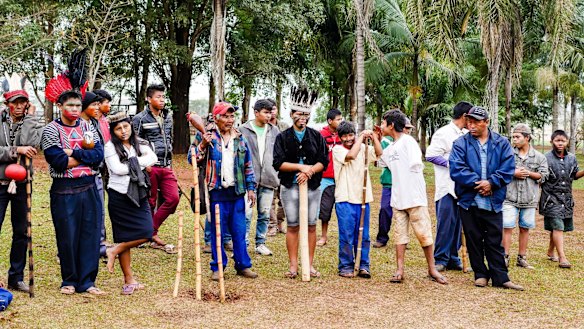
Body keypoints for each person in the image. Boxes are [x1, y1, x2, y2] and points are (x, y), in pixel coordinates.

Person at [41, 51, 106, 295]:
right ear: (59, 106)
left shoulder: (89, 126)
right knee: (67, 235)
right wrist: (82, 154)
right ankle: (69, 280)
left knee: (90, 234)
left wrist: (72, 151)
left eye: (78, 105)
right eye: (70, 105)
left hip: (89, 186)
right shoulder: (50, 130)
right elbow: (57, 161)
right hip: (64, 189)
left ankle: (87, 281)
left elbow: (97, 156)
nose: (75, 109)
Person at [449, 106, 523, 290]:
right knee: (473, 239)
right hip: (469, 200)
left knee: (494, 239)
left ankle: (500, 277)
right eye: (469, 122)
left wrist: (492, 183)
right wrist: (479, 183)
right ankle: (480, 274)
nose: (471, 126)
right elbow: (456, 168)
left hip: (493, 200)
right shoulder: (461, 143)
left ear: (486, 122)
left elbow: (507, 168)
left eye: (476, 122)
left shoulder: (501, 143)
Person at [189, 101, 258, 280]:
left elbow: (248, 165)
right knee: (217, 233)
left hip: (237, 193)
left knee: (239, 231)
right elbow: (192, 159)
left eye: (232, 116)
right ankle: (218, 266)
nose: (229, 120)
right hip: (216, 193)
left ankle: (243, 265)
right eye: (225, 116)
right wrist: (203, 145)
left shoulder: (240, 137)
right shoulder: (205, 135)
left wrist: (251, 188)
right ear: (216, 118)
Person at [378, 109, 447, 285]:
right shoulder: (391, 146)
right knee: (400, 235)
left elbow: (416, 165)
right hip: (398, 199)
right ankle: (399, 269)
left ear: (391, 125)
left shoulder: (408, 141)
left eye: (384, 123)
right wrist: (375, 137)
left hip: (415, 197)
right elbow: (382, 158)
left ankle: (432, 268)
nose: (382, 126)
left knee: (424, 234)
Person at [273, 87, 328, 279]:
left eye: (306, 114)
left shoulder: (316, 136)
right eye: (299, 113)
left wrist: (310, 170)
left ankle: (309, 264)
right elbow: (278, 163)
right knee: (293, 225)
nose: (303, 117)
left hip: (312, 186)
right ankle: (293, 265)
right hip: (290, 186)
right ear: (291, 114)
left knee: (312, 224)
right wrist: (300, 167)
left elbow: (323, 160)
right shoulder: (283, 137)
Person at [104, 112, 157, 295]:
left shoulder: (140, 142)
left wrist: (132, 163)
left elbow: (153, 158)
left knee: (148, 232)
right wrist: (138, 165)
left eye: (126, 127)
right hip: (119, 195)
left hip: (139, 193)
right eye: (118, 129)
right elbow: (116, 169)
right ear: (113, 131)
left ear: (131, 126)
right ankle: (129, 280)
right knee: (124, 235)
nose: (123, 131)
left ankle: (114, 250)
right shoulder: (110, 147)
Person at [0, 73, 42, 293]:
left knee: (21, 231)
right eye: (14, 102)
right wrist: (15, 151)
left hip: (22, 183)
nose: (18, 106)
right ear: (7, 103)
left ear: (27, 104)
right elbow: (19, 148)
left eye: (22, 102)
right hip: (0, 182)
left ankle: (16, 278)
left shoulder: (32, 122)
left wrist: (31, 119)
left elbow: (32, 144)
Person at [425, 101, 472, 271]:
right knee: (446, 223)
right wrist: (452, 165)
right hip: (447, 186)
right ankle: (441, 258)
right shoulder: (444, 133)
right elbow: (431, 155)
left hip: (463, 186)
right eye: (471, 117)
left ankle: (453, 257)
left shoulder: (468, 134)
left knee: (459, 223)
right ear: (464, 116)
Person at [133, 84, 179, 253]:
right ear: (148, 99)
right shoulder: (140, 118)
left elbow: (169, 140)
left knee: (173, 199)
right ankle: (150, 235)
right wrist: (145, 164)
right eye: (158, 97)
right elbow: (135, 143)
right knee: (150, 201)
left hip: (166, 166)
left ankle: (149, 232)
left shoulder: (168, 117)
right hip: (150, 167)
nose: (162, 100)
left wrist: (171, 164)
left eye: (163, 97)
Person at [332, 122, 382, 278]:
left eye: (350, 135)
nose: (348, 139)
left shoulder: (364, 148)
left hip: (362, 199)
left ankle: (363, 264)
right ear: (340, 138)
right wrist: (360, 138)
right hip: (345, 198)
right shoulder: (337, 150)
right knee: (346, 235)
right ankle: (346, 265)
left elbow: (380, 153)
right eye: (345, 136)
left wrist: (373, 137)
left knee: (364, 235)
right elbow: (351, 155)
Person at [502, 123, 548, 269]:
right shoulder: (507, 153)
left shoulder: (539, 157)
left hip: (529, 198)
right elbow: (500, 170)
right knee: (507, 226)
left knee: (525, 227)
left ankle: (522, 258)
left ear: (527, 138)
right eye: (513, 137)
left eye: (517, 137)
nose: (514, 139)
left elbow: (544, 176)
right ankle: (504, 257)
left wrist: (528, 173)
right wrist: (513, 172)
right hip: (509, 197)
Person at [240, 99, 280, 256]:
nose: (268, 115)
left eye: (270, 112)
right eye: (265, 112)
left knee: (264, 212)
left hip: (269, 177)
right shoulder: (243, 129)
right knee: (246, 214)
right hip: (249, 178)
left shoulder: (274, 131)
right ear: (256, 112)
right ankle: (243, 243)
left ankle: (260, 243)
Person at [540, 130, 584, 269]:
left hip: (566, 199)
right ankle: (562, 257)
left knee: (559, 227)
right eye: (557, 140)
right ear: (552, 142)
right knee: (558, 226)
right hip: (551, 198)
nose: (560, 143)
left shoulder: (572, 158)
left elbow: (575, 175)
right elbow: (541, 177)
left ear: (567, 142)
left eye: (563, 141)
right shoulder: (545, 158)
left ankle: (550, 251)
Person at [79, 91, 110, 258]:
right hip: (81, 175)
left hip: (97, 172)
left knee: (98, 209)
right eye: (94, 105)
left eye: (99, 104)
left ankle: (99, 244)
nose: (98, 108)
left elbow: (99, 150)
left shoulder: (94, 124)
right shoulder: (77, 125)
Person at [317, 108, 343, 247]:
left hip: (342, 177)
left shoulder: (344, 135)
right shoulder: (321, 135)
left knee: (343, 208)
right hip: (326, 178)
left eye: (341, 119)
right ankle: (323, 236)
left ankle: (343, 236)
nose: (340, 121)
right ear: (330, 121)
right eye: (338, 119)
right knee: (325, 208)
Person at [267, 98, 288, 236]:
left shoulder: (284, 127)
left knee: (284, 197)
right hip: (268, 168)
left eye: (273, 109)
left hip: (284, 167)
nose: (271, 113)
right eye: (268, 110)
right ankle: (272, 225)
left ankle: (280, 222)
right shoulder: (263, 128)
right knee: (269, 198)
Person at [372, 131, 393, 248]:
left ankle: (403, 239)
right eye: (405, 127)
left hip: (404, 183)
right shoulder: (385, 141)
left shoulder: (407, 141)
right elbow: (377, 162)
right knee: (385, 209)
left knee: (405, 212)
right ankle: (382, 238)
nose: (407, 130)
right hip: (389, 182)